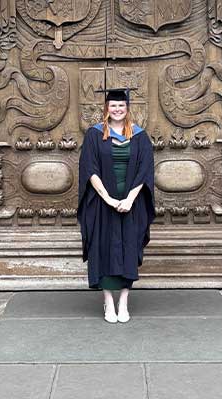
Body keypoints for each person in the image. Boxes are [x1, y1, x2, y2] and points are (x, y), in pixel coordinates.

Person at [77, 88, 155, 323]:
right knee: (103, 249)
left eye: (121, 106)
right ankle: (108, 303)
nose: (117, 109)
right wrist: (108, 199)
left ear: (127, 108)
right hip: (103, 203)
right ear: (106, 108)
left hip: (132, 201)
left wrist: (130, 199)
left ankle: (124, 302)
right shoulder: (94, 135)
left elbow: (145, 170)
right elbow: (89, 168)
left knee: (128, 250)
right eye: (113, 105)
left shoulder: (140, 136)